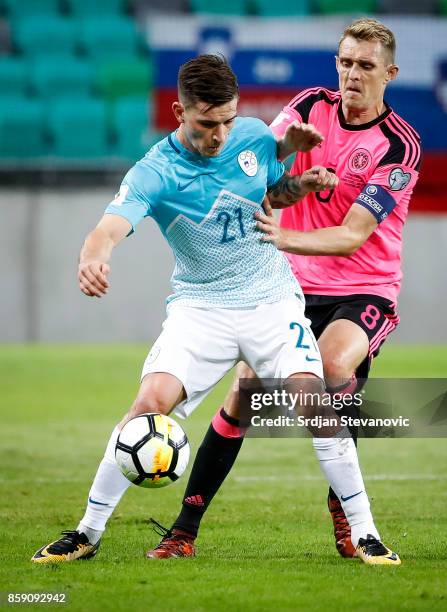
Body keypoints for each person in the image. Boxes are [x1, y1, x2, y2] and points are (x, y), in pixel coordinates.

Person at [31, 54, 341, 564]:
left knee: (311, 402)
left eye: (226, 121)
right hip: (202, 305)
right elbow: (110, 226)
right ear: (178, 111)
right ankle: (86, 533)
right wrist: (93, 256)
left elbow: (267, 195)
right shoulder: (155, 170)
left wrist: (296, 177)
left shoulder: (253, 135)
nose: (219, 134)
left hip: (267, 298)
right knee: (148, 403)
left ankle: (360, 528)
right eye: (205, 123)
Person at [163, 17, 419, 566]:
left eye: (366, 66)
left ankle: (347, 514)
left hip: (364, 289)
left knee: (328, 371)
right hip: (287, 287)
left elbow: (353, 235)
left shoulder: (399, 146)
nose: (352, 74)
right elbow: (262, 169)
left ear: (390, 74)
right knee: (245, 395)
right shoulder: (307, 107)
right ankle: (182, 531)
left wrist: (283, 234)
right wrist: (288, 181)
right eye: (346, 62)